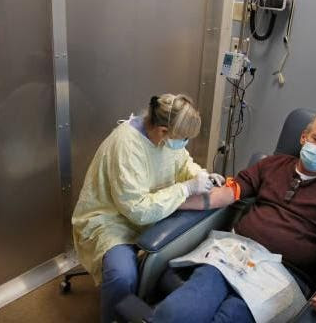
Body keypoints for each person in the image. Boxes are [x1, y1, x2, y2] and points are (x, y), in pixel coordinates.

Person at [152, 112, 316, 322]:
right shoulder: (272, 164)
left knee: (231, 315)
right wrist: (172, 202)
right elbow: (229, 192)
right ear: (304, 138)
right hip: (235, 253)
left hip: (282, 275)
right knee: (180, 309)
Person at [71, 94, 232, 323]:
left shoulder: (168, 137)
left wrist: (200, 175)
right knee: (122, 275)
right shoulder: (127, 145)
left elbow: (183, 162)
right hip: (111, 220)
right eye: (183, 139)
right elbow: (136, 209)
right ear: (163, 131)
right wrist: (186, 190)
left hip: (150, 212)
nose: (184, 143)